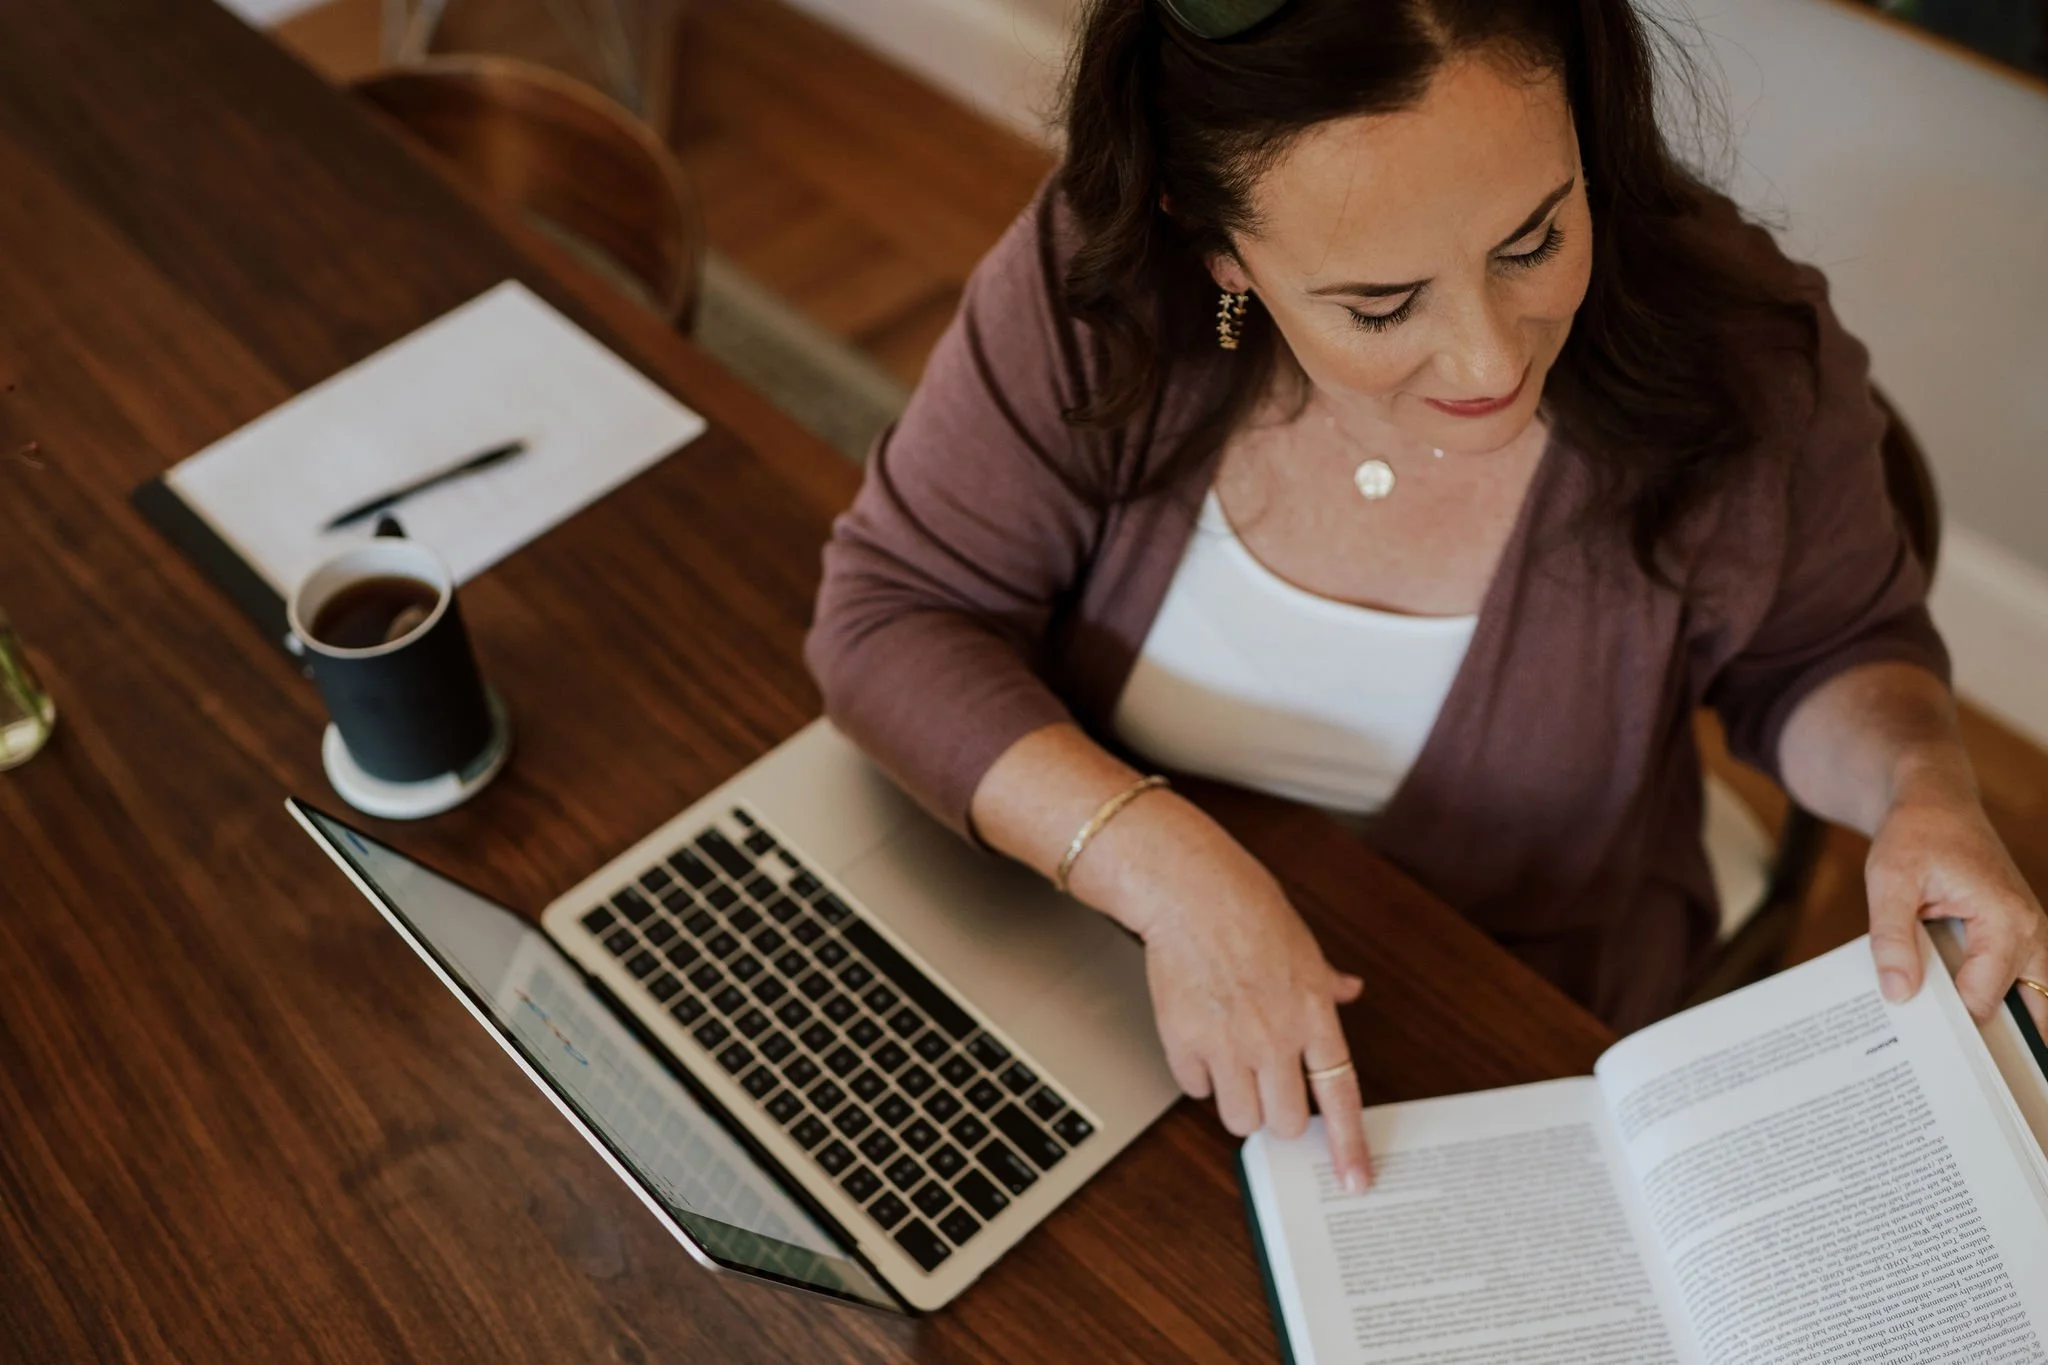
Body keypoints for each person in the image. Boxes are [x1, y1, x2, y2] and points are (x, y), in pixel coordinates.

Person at [804, 0, 2048, 1192]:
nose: (1492, 361)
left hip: (1495, 1029)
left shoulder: (1743, 354)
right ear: (1214, 244)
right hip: (1070, 957)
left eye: (1534, 240)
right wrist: (1164, 866)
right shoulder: (1099, 287)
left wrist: (1920, 788)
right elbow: (892, 615)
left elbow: (1830, 647)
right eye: (1380, 304)